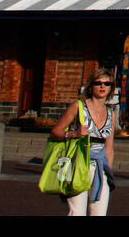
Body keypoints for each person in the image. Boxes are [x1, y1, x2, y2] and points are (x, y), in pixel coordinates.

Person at [49, 68, 118, 216]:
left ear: (111, 88)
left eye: (107, 84)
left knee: (99, 213)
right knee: (77, 213)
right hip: (78, 165)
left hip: (100, 169)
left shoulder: (111, 115)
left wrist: (107, 173)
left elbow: (109, 148)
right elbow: (55, 132)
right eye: (98, 83)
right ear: (90, 86)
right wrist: (74, 133)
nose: (102, 87)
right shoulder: (78, 107)